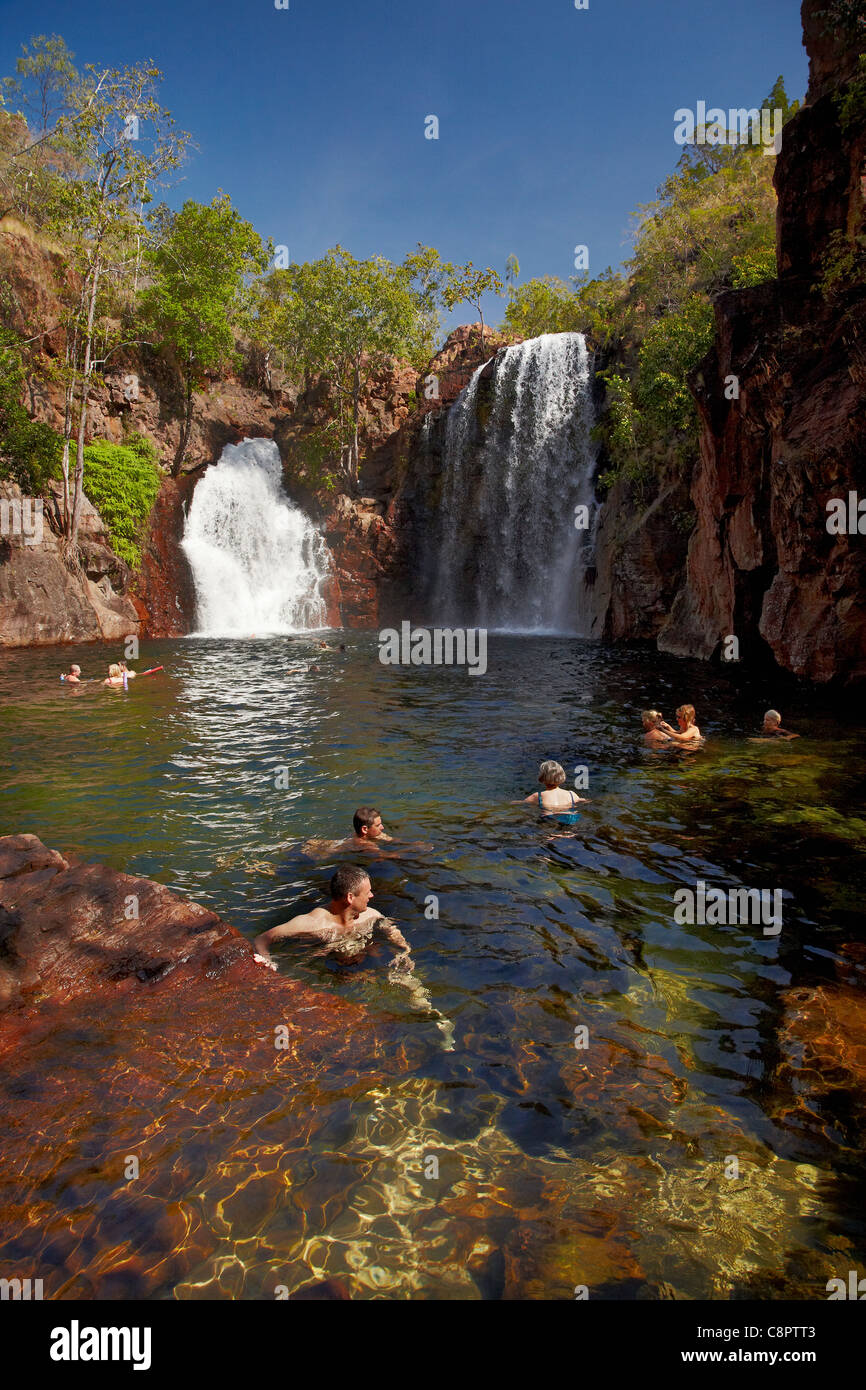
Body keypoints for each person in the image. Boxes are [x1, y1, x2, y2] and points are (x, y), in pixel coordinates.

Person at [252, 864, 413, 972]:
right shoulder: (313, 923)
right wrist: (269, 963)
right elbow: (262, 939)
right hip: (326, 967)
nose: (372, 895)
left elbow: (391, 931)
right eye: (367, 892)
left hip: (358, 963)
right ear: (350, 897)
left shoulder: (371, 915)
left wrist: (404, 952)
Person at [522, 760, 588, 824]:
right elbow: (583, 800)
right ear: (562, 776)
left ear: (541, 777)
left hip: (549, 820)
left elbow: (522, 803)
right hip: (570, 818)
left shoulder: (538, 796)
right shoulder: (571, 794)